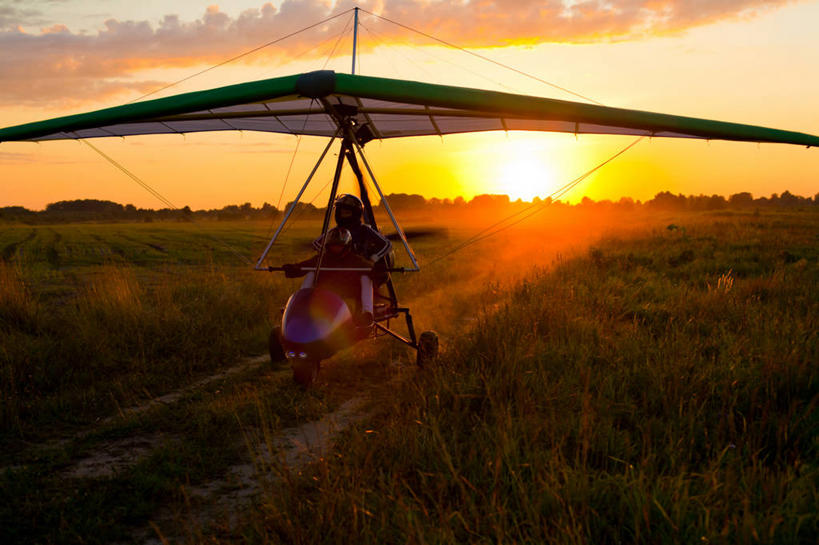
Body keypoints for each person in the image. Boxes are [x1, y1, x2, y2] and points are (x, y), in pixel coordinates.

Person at [284, 226, 375, 326]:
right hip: (324, 298)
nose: (335, 248)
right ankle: (301, 307)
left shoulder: (356, 261)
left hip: (347, 301)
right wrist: (293, 268)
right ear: (328, 246)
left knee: (366, 276)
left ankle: (367, 313)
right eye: (333, 246)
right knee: (311, 271)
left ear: (346, 246)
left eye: (339, 246)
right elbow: (305, 265)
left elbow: (373, 270)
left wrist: (379, 271)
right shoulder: (322, 259)